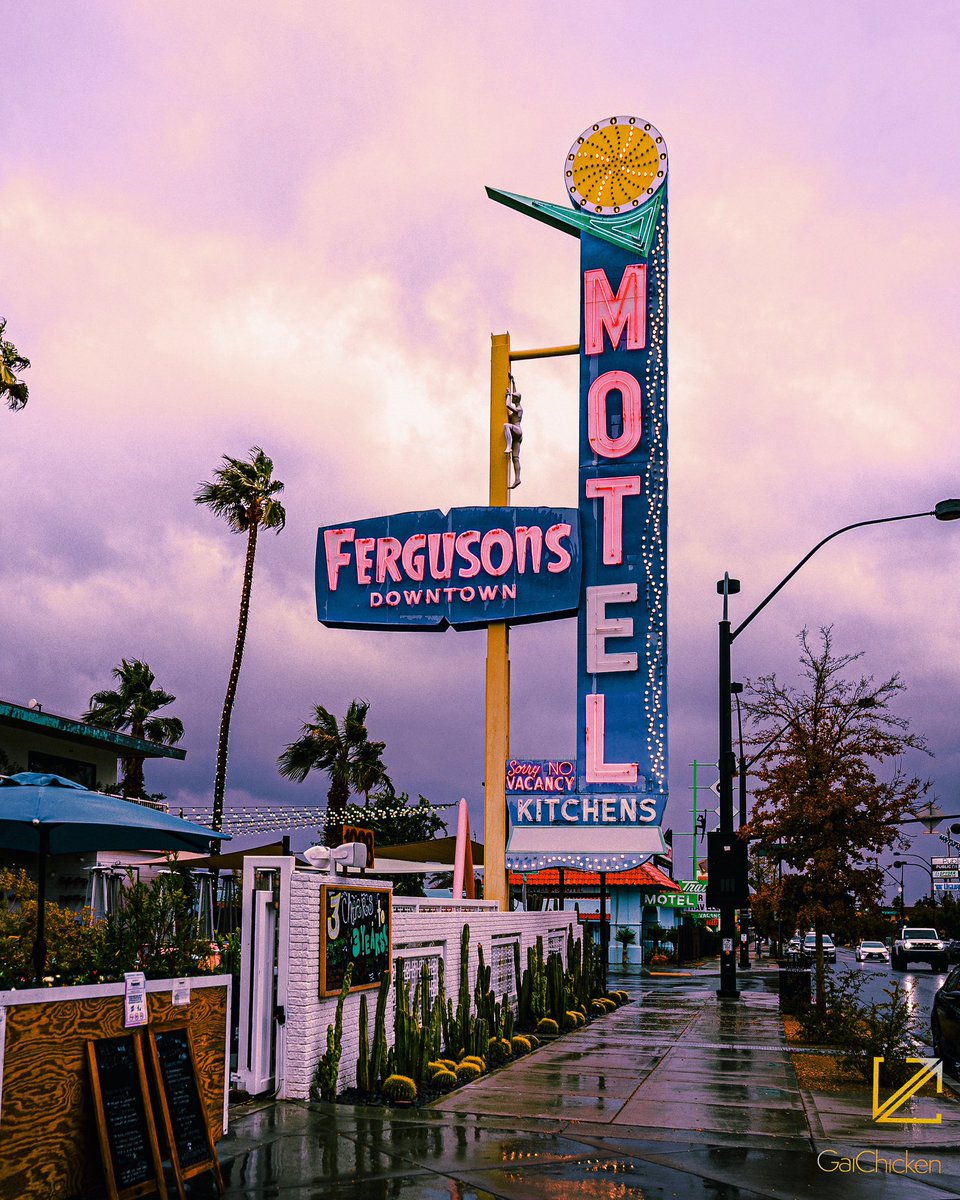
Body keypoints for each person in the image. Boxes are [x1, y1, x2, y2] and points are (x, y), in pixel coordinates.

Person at [504, 375, 523, 489]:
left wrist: (507, 395)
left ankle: (508, 446)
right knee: (515, 458)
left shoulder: (518, 409)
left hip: (517, 430)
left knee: (506, 425)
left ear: (516, 399)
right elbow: (516, 394)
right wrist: (513, 382)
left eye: (513, 397)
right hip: (518, 435)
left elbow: (507, 405)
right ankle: (517, 479)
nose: (512, 397)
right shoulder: (518, 404)